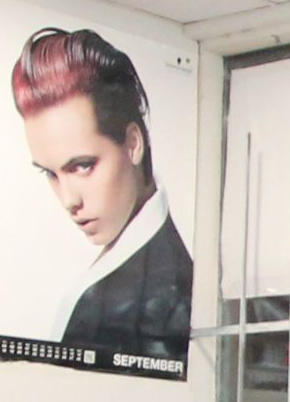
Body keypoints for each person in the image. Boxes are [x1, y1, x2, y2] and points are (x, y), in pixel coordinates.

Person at [10, 24, 192, 361]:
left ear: (133, 144)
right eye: (50, 174)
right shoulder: (154, 273)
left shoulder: (154, 301)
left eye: (82, 166)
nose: (69, 200)